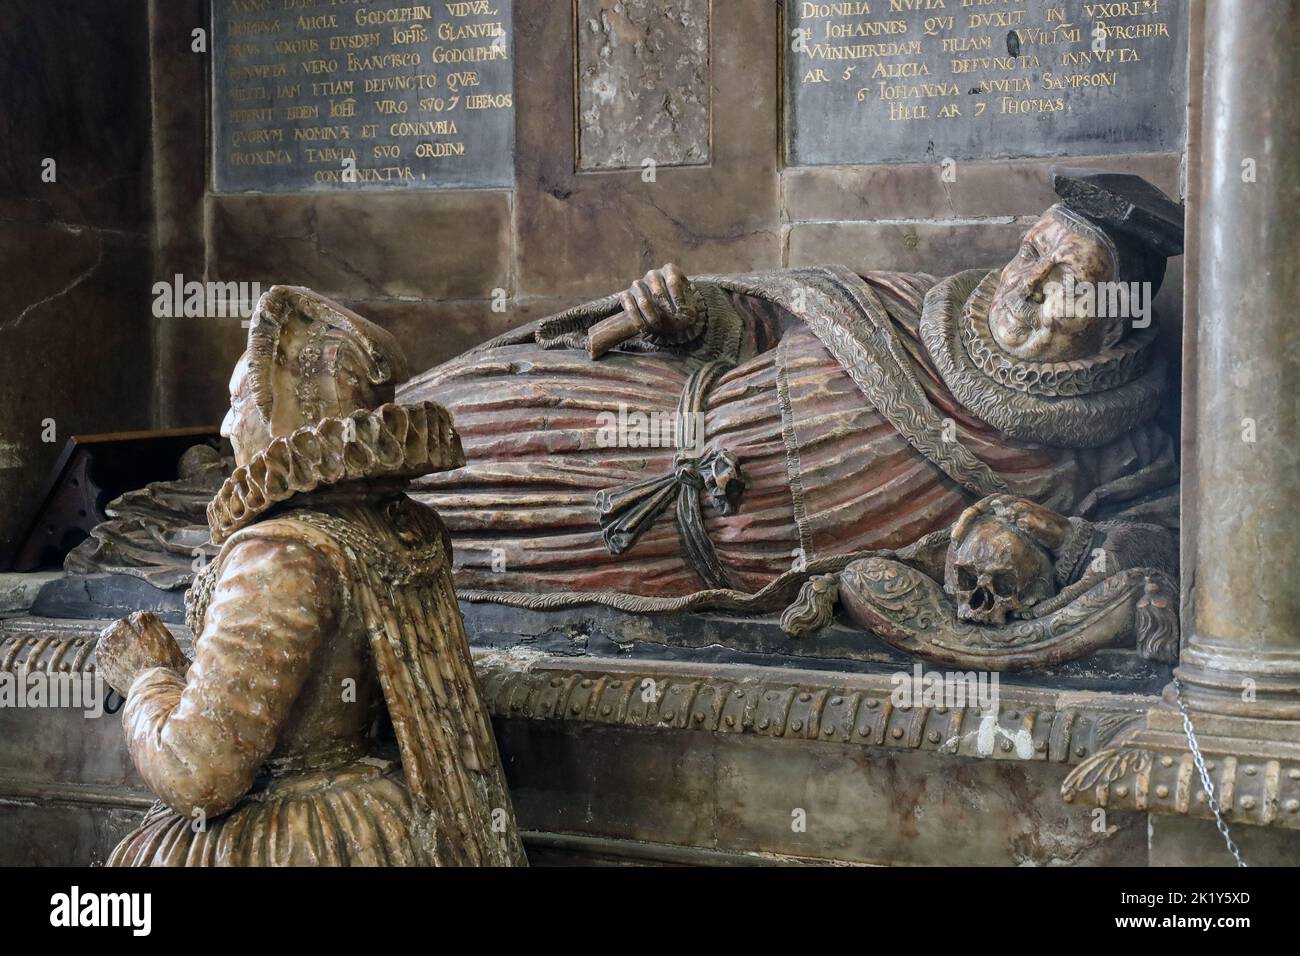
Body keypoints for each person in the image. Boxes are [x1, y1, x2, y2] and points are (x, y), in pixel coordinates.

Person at [95, 286, 526, 866]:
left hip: (289, 841)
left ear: (281, 416)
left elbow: (197, 771)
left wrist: (146, 677)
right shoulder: (399, 527)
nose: (224, 427)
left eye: (237, 402)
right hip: (378, 823)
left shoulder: (278, 553)